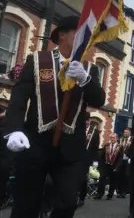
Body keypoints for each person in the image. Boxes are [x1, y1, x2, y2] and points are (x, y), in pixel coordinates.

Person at [3, 16, 106, 218]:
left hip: (69, 147)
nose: (85, 39)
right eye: (80, 33)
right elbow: (19, 97)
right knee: (26, 204)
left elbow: (99, 100)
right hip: (36, 142)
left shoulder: (87, 69)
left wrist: (85, 80)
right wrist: (14, 129)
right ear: (62, 35)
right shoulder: (38, 61)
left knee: (67, 203)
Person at [78, 112, 100, 207]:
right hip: (77, 156)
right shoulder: (78, 129)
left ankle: (81, 198)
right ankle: (74, 195)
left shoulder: (94, 132)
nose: (86, 122)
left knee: (83, 178)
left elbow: (95, 148)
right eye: (84, 120)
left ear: (89, 120)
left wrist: (95, 163)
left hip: (87, 159)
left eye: (87, 120)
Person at [95, 133, 122, 200]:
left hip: (114, 165)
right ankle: (99, 194)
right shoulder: (107, 145)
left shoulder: (120, 147)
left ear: (117, 138)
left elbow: (120, 158)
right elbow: (102, 156)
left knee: (113, 180)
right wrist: (100, 165)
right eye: (111, 138)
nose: (112, 139)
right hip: (106, 165)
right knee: (101, 178)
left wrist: (117, 167)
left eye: (113, 138)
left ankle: (110, 195)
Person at [117, 128, 132, 198]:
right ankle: (119, 191)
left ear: (129, 133)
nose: (125, 133)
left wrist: (130, 146)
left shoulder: (132, 139)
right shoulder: (121, 139)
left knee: (126, 175)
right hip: (121, 158)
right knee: (120, 174)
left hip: (128, 159)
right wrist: (119, 147)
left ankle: (124, 192)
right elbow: (119, 148)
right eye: (124, 132)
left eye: (126, 132)